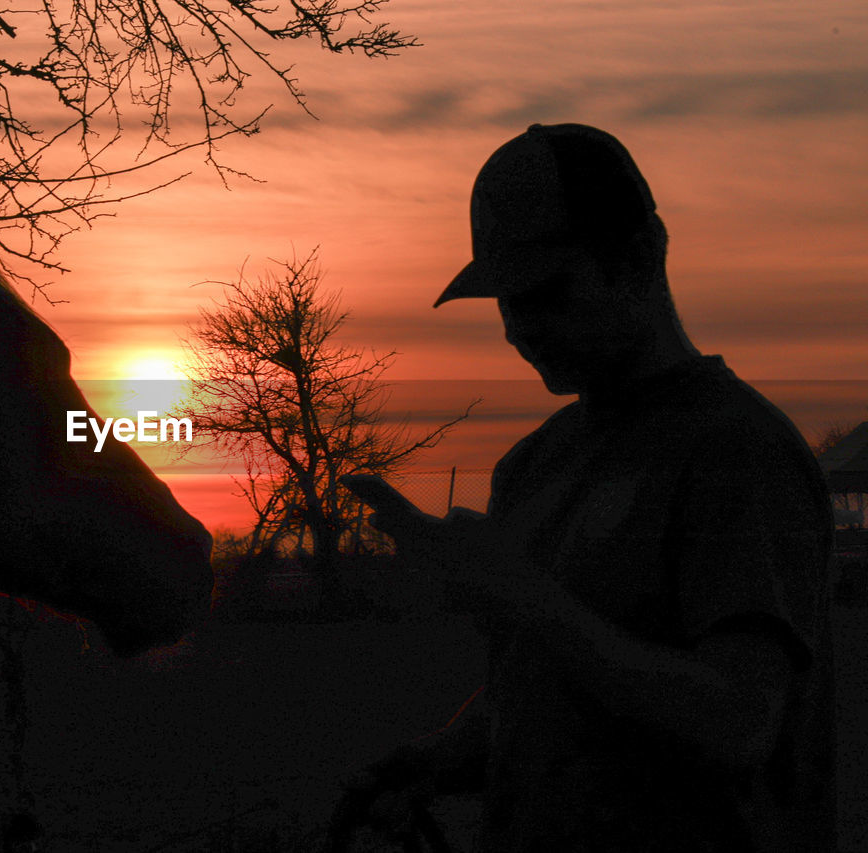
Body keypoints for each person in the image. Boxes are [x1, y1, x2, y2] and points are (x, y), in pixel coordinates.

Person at [334, 123, 833, 852]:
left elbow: (739, 721)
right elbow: (547, 683)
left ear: (638, 260)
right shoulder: (533, 465)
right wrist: (437, 758)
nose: (519, 329)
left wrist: (522, 595)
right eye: (505, 300)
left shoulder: (737, 450)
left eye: (545, 292)